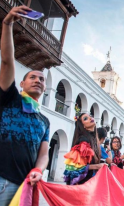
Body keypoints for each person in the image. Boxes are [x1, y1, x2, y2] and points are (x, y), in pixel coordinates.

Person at [0, 6, 50, 205]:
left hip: (22, 186)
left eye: (42, 79)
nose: (38, 80)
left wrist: (39, 170)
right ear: (21, 84)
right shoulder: (9, 98)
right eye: (32, 77)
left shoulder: (44, 121)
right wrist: (7, 23)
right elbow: (6, 62)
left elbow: (44, 154)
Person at [63, 113, 104, 185]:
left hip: (89, 183)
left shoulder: (93, 139)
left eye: (90, 116)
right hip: (81, 184)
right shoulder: (83, 140)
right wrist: (97, 166)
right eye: (85, 119)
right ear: (83, 126)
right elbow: (76, 167)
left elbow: (89, 161)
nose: (90, 118)